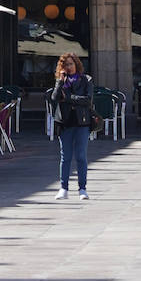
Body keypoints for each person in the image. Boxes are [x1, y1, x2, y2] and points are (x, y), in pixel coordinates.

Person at [47, 52, 94, 201]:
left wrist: (68, 98)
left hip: (82, 122)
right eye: (66, 64)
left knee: (81, 156)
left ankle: (82, 188)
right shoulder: (61, 81)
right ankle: (63, 188)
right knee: (65, 156)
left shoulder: (86, 79)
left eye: (71, 64)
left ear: (76, 64)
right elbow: (54, 98)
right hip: (65, 122)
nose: (69, 67)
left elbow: (87, 100)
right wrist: (59, 82)